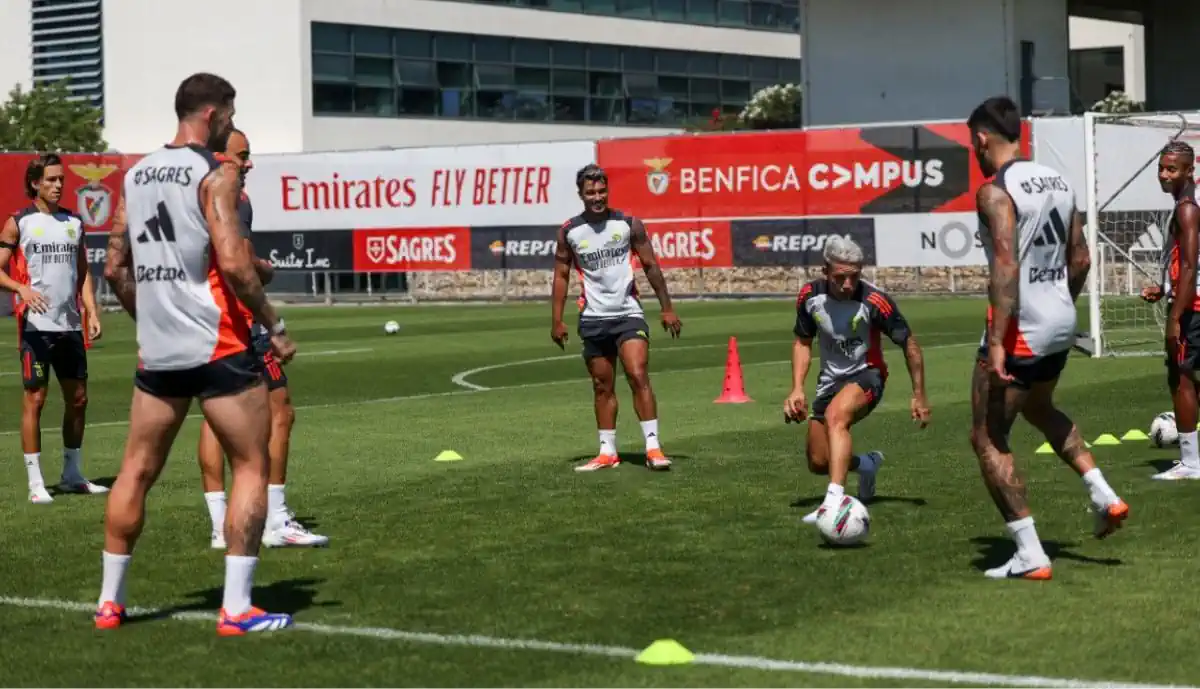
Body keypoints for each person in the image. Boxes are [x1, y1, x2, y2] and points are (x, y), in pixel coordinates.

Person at [95, 72, 296, 635]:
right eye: (229, 117)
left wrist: (150, 321)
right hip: (220, 345)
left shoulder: (133, 177)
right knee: (252, 464)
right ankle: (236, 608)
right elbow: (233, 263)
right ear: (211, 116)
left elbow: (115, 267)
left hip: (158, 352)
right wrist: (273, 322)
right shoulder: (216, 173)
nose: (231, 126)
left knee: (135, 471)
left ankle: (110, 603)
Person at [967, 95, 1128, 581]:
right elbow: (1080, 258)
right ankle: (1103, 493)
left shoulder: (995, 190)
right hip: (1059, 318)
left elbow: (1005, 265)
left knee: (988, 436)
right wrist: (1061, 302)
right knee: (1039, 408)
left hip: (1021, 326)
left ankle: (1030, 552)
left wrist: (997, 340)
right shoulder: (1058, 178)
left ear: (980, 138)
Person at [195, 128, 327, 549]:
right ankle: (275, 519)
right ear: (220, 156)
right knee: (281, 411)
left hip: (196, 320)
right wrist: (265, 280)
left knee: (215, 419)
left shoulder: (186, 194)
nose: (248, 164)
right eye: (243, 156)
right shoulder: (235, 197)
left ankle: (220, 525)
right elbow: (240, 263)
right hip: (237, 319)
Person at [784, 237, 931, 525]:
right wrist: (797, 388)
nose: (848, 284)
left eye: (855, 276)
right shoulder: (809, 297)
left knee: (836, 417)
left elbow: (910, 345)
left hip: (868, 375)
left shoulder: (876, 301)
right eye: (840, 277)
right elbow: (802, 342)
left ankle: (833, 503)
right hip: (830, 382)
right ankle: (866, 465)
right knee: (819, 461)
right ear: (825, 271)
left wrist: (919, 394)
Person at [550, 164, 682, 472]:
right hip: (593, 318)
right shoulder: (569, 230)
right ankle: (607, 451)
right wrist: (556, 319)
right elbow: (561, 274)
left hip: (628, 314)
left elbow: (650, 266)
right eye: (590, 192)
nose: (597, 197)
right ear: (581, 194)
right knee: (601, 385)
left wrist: (667, 307)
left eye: (601, 191)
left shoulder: (628, 224)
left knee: (637, 374)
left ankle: (653, 448)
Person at [0, 154, 106, 504]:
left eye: (61, 179)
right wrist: (21, 289)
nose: (59, 185)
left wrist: (91, 310)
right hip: (36, 328)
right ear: (35, 183)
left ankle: (72, 474)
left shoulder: (74, 222)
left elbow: (84, 272)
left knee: (79, 399)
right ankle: (35, 483)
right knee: (36, 399)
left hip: (70, 326)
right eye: (51, 180)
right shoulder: (19, 222)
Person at [1140, 141, 1200, 480]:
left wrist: (1174, 317)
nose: (1164, 174)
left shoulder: (1187, 207)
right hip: (1189, 299)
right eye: (1162, 167)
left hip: (1193, 306)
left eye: (1172, 168)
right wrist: (1163, 288)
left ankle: (1191, 463)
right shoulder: (1184, 203)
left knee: (1180, 378)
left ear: (1189, 171)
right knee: (1185, 376)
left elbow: (1191, 266)